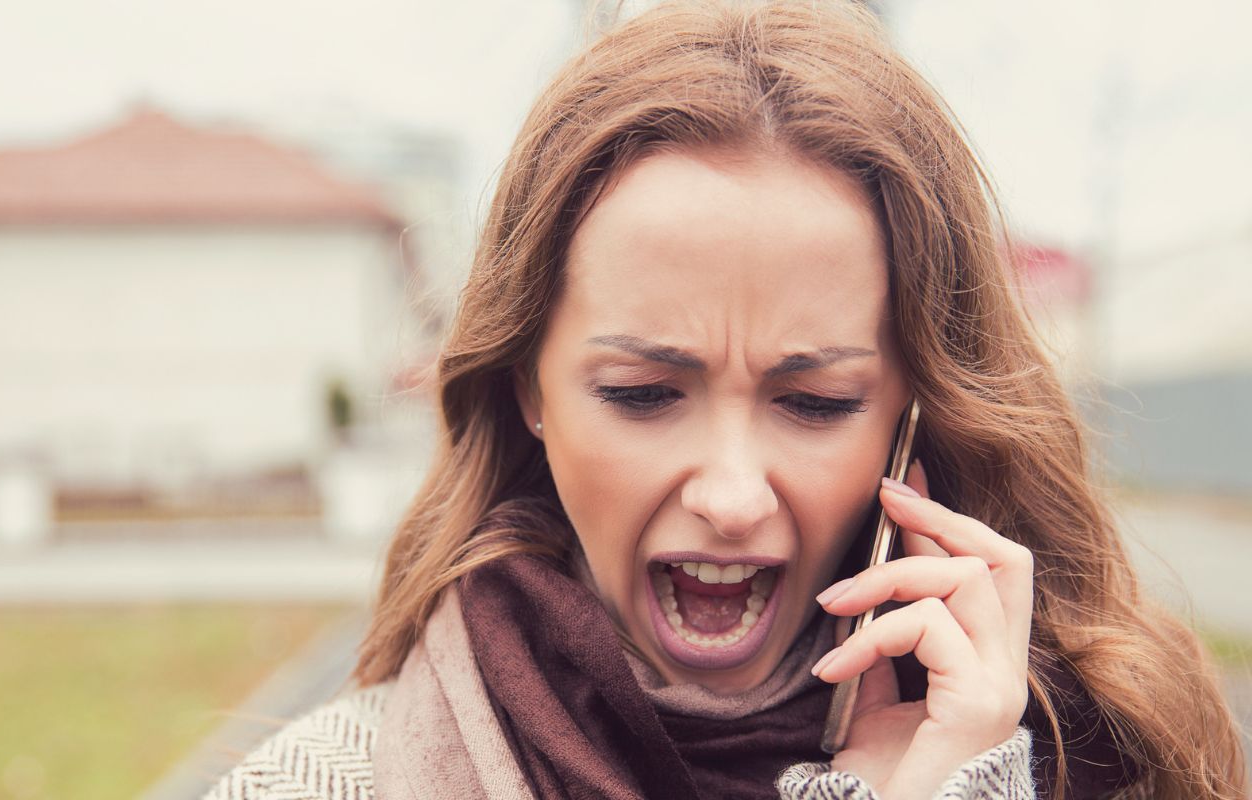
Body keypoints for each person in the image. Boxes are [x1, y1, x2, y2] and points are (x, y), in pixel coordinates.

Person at [203, 1, 1248, 798]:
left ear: (913, 414)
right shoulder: (317, 780)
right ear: (526, 387)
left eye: (815, 400)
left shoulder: (1110, 759)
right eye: (643, 391)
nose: (733, 492)